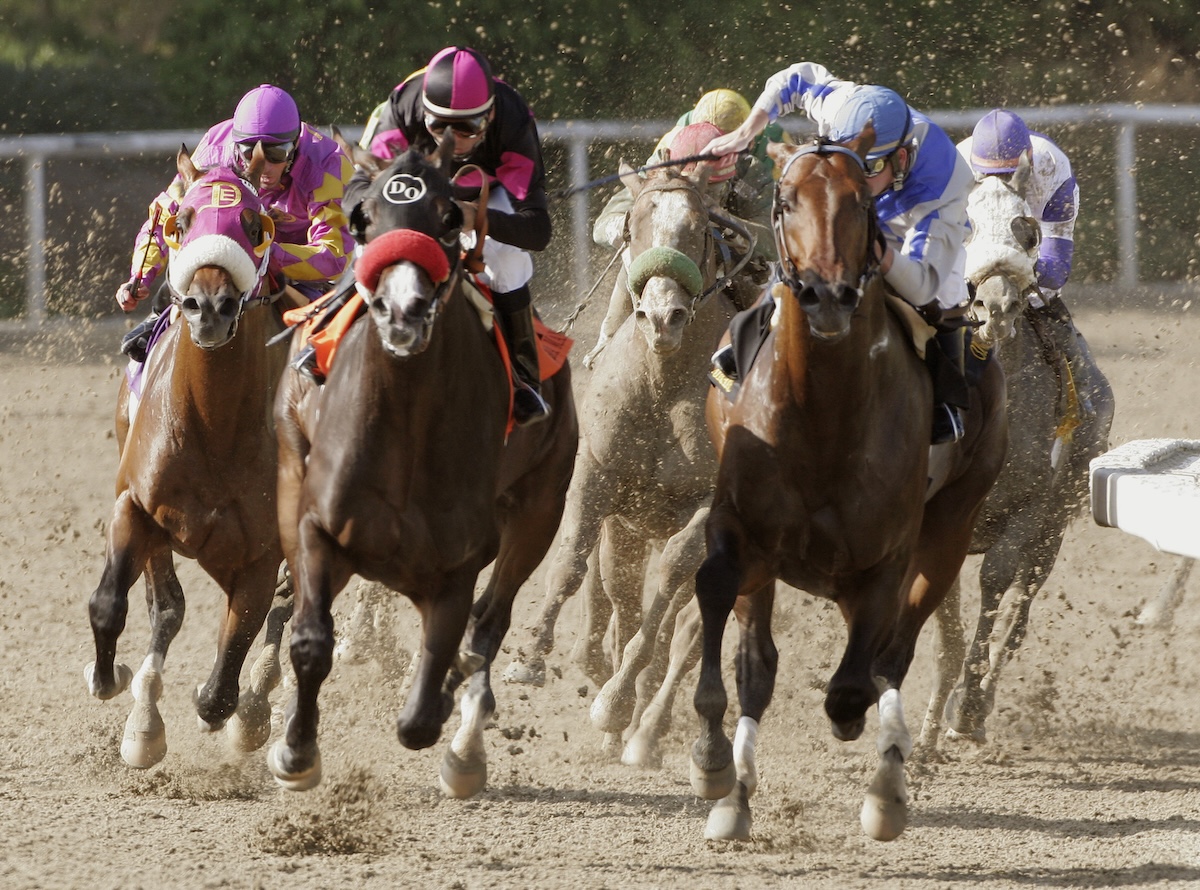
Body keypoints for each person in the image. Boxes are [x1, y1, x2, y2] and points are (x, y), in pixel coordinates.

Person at [704, 63, 976, 444]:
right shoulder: (846, 107)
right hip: (849, 206)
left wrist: (878, 254)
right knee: (804, 250)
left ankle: (945, 399)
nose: (855, 176)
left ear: (899, 159)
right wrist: (746, 131)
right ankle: (748, 338)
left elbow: (922, 284)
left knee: (947, 292)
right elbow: (794, 79)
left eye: (868, 167)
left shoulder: (944, 186)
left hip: (909, 226)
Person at [347, 45, 552, 426]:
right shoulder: (400, 108)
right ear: (424, 113)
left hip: (483, 195)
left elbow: (538, 229)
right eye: (439, 126)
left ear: (489, 116)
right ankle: (326, 339)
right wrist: (387, 213)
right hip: (410, 196)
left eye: (467, 128)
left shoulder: (513, 117)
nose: (452, 138)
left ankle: (525, 378)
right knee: (364, 245)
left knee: (507, 256)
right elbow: (354, 197)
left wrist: (480, 218)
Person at [116, 84, 355, 362]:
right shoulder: (216, 148)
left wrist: (264, 254)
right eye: (248, 151)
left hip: (299, 263)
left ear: (296, 147)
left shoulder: (328, 165)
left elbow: (335, 256)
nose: (262, 165)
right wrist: (141, 274)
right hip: (230, 250)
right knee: (177, 288)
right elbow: (164, 215)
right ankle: (156, 325)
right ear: (236, 144)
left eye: (275, 154)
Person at [584, 89, 788, 367]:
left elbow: (776, 242)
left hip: (732, 253)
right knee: (632, 257)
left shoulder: (757, 164)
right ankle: (606, 341)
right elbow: (602, 226)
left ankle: (765, 354)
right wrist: (637, 224)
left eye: (713, 185)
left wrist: (724, 219)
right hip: (678, 245)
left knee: (761, 275)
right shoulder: (664, 159)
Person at [957, 108, 1098, 418]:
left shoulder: (1052, 171)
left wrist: (1015, 277)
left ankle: (1086, 409)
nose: (998, 182)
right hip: (971, 274)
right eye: (988, 175)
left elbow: (1056, 266)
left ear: (1028, 160)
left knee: (1088, 385)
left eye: (1007, 174)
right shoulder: (956, 168)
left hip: (1027, 274)